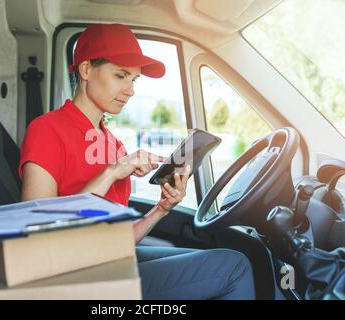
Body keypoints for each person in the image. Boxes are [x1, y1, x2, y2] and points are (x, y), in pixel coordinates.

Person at [19, 23, 255, 300]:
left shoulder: (113, 144)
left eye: (134, 80)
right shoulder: (46, 130)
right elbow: (35, 234)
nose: (130, 90)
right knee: (233, 267)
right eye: (120, 75)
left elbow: (119, 238)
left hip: (108, 258)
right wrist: (113, 172)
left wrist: (162, 209)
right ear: (85, 70)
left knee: (214, 256)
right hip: (73, 275)